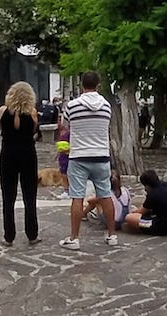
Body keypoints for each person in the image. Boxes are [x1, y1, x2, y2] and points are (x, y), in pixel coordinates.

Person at [59, 71, 118, 250]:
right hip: (101, 155)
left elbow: (64, 125)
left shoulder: (72, 105)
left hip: (78, 156)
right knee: (105, 195)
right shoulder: (107, 106)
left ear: (81, 85)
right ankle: (112, 235)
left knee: (77, 196)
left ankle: (74, 238)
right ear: (98, 85)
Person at [0, 81, 41, 246]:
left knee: (8, 197)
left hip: (7, 155)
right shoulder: (33, 113)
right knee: (30, 196)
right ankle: (32, 234)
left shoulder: (2, 111)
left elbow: (4, 129)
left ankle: (9, 236)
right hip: (28, 155)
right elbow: (33, 131)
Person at [124, 170, 167, 235]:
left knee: (129, 218)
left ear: (147, 186)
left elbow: (140, 212)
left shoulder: (153, 194)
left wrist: (132, 212)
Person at [56, 124, 70, 199]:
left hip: (68, 156)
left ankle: (68, 190)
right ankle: (66, 190)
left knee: (66, 174)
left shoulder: (69, 133)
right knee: (63, 173)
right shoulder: (61, 132)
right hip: (62, 156)